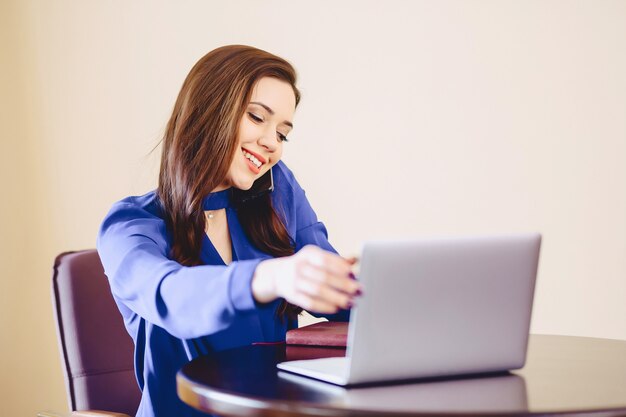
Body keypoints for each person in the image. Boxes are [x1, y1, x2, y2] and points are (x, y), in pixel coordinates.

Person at [96, 45, 361, 417]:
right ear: (209, 112)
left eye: (283, 134)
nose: (272, 144)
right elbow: (169, 294)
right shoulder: (129, 226)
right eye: (257, 118)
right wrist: (269, 277)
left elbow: (342, 292)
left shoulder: (276, 190)